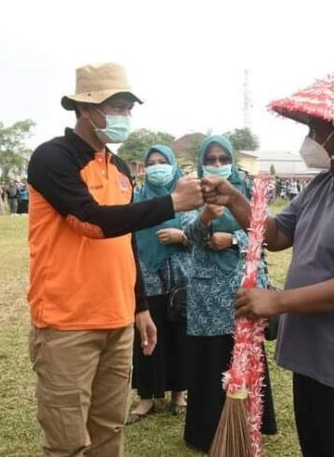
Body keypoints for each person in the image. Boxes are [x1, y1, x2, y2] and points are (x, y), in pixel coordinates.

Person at [202, 69, 334, 456]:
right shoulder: (324, 183)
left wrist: (279, 301)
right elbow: (277, 234)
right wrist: (234, 198)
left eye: (315, 127)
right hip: (310, 359)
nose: (309, 138)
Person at [26, 62, 203, 457]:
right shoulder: (53, 158)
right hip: (66, 321)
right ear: (86, 109)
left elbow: (125, 241)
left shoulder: (119, 167)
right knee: (66, 441)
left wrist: (139, 306)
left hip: (118, 319)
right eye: (117, 106)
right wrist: (172, 202)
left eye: (128, 107)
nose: (124, 116)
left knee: (108, 430)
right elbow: (90, 222)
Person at [182, 135, 277, 452]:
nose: (218, 164)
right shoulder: (191, 191)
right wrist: (206, 215)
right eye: (212, 158)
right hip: (206, 293)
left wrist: (232, 239)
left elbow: (263, 230)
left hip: (241, 285)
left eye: (224, 158)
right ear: (202, 161)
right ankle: (206, 431)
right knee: (209, 359)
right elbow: (189, 235)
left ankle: (249, 423)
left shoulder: (245, 190)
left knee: (244, 352)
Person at [127, 145, 190, 423]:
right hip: (146, 277)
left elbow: (204, 235)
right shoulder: (136, 200)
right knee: (146, 337)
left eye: (162, 161)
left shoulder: (188, 200)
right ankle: (146, 397)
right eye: (151, 162)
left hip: (180, 278)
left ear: (173, 164)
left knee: (178, 334)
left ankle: (178, 393)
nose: (156, 167)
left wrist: (183, 236)